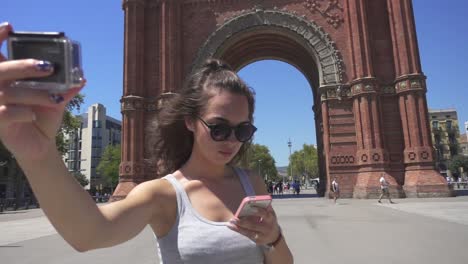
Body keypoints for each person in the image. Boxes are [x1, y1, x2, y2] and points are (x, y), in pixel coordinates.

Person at [0, 22, 293, 264]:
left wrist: (273, 239)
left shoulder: (252, 184)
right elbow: (89, 234)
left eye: (243, 131)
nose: (231, 140)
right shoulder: (163, 194)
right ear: (190, 121)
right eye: (218, 128)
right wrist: (39, 154)